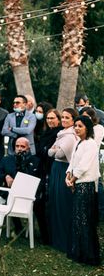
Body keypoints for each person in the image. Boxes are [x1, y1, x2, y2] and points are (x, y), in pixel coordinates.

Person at [65, 115, 101, 265]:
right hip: (77, 184)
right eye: (75, 126)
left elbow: (84, 166)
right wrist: (68, 175)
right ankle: (78, 251)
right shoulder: (78, 143)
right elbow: (72, 163)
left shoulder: (91, 144)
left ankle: (89, 255)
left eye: (80, 126)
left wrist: (73, 179)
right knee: (77, 219)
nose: (77, 129)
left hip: (85, 185)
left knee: (85, 219)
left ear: (87, 128)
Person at [47, 108, 78, 253]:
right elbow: (49, 151)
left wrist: (54, 149)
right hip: (56, 168)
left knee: (62, 204)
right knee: (54, 202)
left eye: (67, 118)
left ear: (73, 120)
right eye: (63, 117)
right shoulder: (61, 134)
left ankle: (64, 240)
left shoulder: (70, 136)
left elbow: (57, 153)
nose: (64, 120)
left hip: (63, 170)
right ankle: (55, 239)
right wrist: (53, 149)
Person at [34, 109, 62, 245]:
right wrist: (46, 150)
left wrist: (46, 151)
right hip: (43, 170)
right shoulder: (46, 134)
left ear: (59, 119)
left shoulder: (60, 133)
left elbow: (50, 152)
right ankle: (45, 235)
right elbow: (41, 151)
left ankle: (50, 236)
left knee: (50, 203)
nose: (50, 121)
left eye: (53, 118)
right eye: (48, 118)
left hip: (53, 170)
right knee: (40, 202)